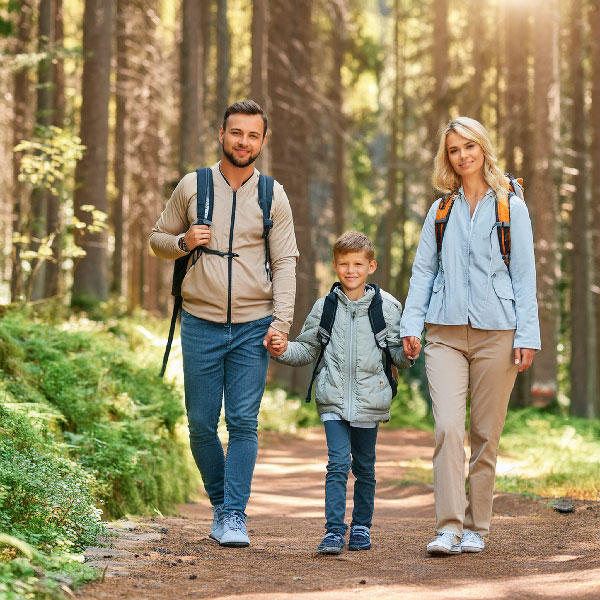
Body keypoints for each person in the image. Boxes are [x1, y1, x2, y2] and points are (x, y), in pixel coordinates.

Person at [149, 100, 298, 548]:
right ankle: (221, 503)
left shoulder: (273, 194)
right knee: (199, 424)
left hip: (255, 324)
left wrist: (282, 322)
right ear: (221, 133)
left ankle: (234, 515)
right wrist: (183, 240)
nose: (244, 142)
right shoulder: (193, 185)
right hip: (200, 322)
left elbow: (286, 262)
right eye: (237, 133)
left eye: (253, 135)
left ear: (263, 141)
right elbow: (158, 239)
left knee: (243, 423)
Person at [400, 117, 540, 555]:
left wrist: (528, 334)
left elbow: (524, 274)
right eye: (454, 150)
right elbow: (424, 270)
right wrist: (411, 324)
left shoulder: (510, 207)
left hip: (498, 332)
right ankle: (448, 526)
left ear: (482, 148)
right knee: (446, 427)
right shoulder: (441, 210)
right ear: (448, 158)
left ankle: (477, 525)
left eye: (469, 147)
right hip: (443, 332)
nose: (462, 156)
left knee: (484, 432)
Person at [268, 231, 418, 555]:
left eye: (358, 264)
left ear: (371, 266)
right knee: (337, 464)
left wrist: (409, 352)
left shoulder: (388, 308)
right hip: (333, 398)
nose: (351, 270)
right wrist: (281, 349)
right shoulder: (325, 308)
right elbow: (306, 350)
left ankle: (361, 526)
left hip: (370, 400)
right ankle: (334, 531)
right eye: (344, 264)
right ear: (335, 266)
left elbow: (397, 358)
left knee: (364, 467)